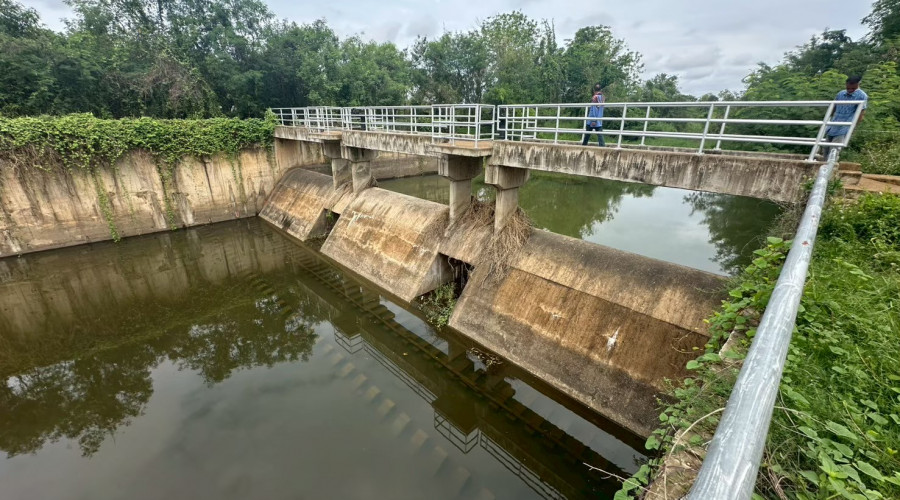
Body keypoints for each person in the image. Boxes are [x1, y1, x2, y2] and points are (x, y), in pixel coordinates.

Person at [823, 76, 867, 159]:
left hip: (845, 126)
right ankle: (824, 163)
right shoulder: (841, 94)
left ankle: (831, 164)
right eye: (848, 88)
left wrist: (854, 126)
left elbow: (861, 113)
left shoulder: (862, 96)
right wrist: (827, 120)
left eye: (853, 88)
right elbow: (833, 107)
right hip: (833, 124)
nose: (850, 90)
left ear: (858, 84)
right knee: (825, 147)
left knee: (834, 149)